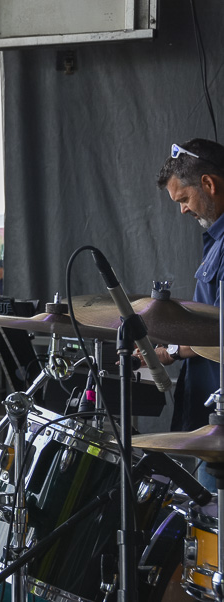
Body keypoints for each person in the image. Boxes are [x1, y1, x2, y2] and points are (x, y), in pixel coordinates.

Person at [153, 138, 224, 490]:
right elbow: (209, 319)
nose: (182, 210)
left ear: (208, 183)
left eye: (183, 199)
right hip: (210, 420)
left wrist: (173, 350)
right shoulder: (216, 238)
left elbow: (219, 334)